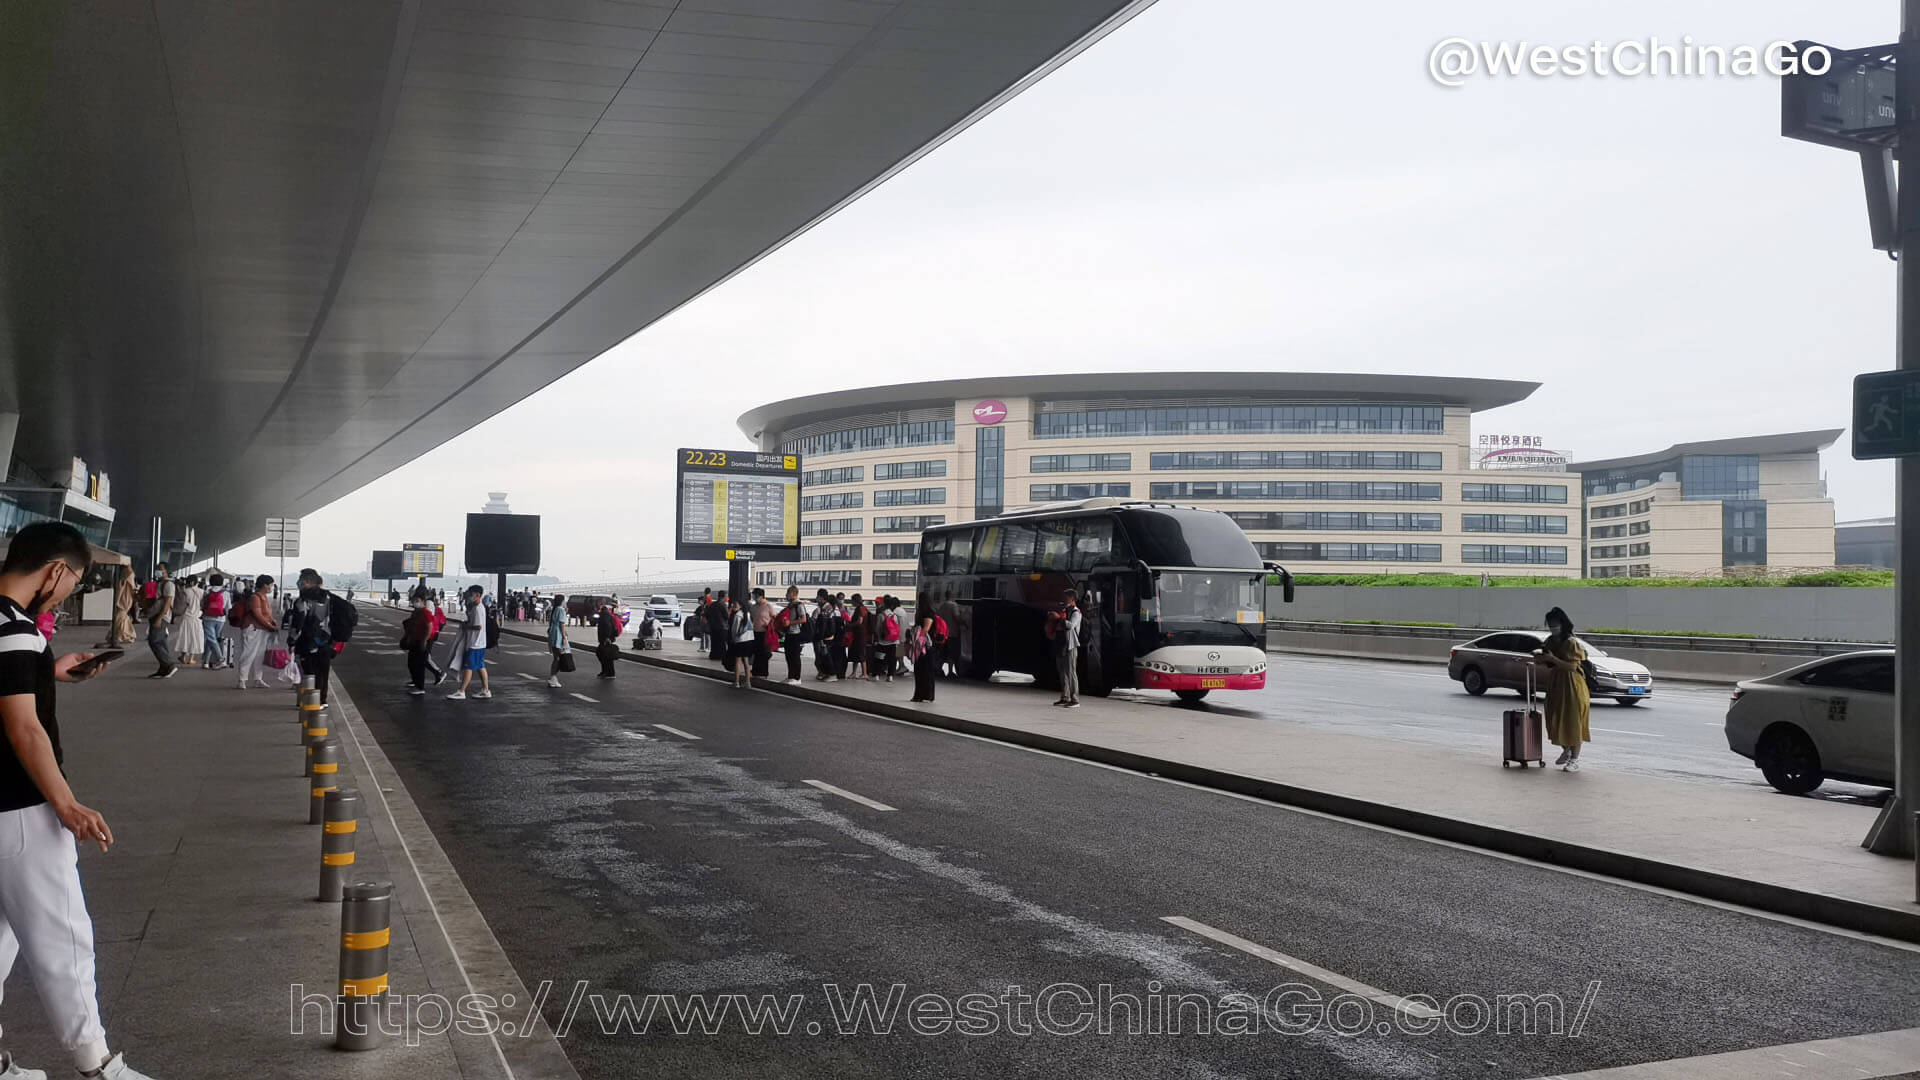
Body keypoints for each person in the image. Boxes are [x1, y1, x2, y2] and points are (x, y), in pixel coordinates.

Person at [0, 522, 164, 1080]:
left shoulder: (8, 630)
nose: (71, 590)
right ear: (55, 571)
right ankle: (98, 1069)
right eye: (74, 580)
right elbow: (25, 730)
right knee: (64, 938)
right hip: (21, 808)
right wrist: (66, 804)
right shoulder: (17, 630)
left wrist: (49, 671)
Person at [1535, 606, 1592, 771]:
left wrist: (1553, 658)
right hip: (1556, 684)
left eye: (1555, 623)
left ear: (1562, 623)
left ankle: (1574, 759)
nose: (1552, 627)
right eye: (1550, 624)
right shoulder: (1550, 641)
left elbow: (1572, 667)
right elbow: (1551, 664)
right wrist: (1542, 660)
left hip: (1573, 684)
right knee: (1555, 717)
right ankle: (1566, 749)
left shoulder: (1571, 642)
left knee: (1573, 720)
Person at [287, 570, 344, 707]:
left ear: (306, 582)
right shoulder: (330, 598)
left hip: (308, 643)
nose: (299, 583)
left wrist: (291, 642)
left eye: (300, 581)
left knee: (309, 673)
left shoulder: (303, 601)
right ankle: (322, 701)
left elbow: (298, 625)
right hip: (327, 643)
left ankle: (310, 702)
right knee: (323, 673)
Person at [447, 586, 492, 700]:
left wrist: (466, 626)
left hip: (475, 643)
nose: (470, 596)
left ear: (477, 595)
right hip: (478, 642)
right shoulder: (478, 607)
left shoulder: (478, 609)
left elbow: (478, 626)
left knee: (468, 667)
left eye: (471, 594)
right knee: (480, 666)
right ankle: (485, 690)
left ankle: (461, 691)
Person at [142, 563, 176, 679]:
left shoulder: (169, 584)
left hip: (161, 616)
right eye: (157, 569)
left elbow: (167, 603)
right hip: (155, 615)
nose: (158, 571)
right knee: (160, 641)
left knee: (154, 641)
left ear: (166, 571)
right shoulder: (158, 583)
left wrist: (160, 618)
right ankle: (163, 668)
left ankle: (169, 665)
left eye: (160, 569)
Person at [1049, 589, 1083, 708]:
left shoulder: (1076, 613)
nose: (1063, 599)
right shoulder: (1064, 610)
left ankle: (1075, 700)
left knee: (1071, 672)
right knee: (1062, 672)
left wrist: (1058, 618)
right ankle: (1065, 697)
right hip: (1061, 644)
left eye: (1066, 597)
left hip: (1070, 646)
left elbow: (1070, 626)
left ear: (1072, 598)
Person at [400, 596, 434, 696]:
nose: (415, 603)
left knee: (419, 665)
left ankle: (420, 687)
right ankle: (415, 682)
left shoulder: (425, 612)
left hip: (421, 641)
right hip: (414, 640)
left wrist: (424, 640)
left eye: (417, 601)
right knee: (411, 663)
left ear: (423, 601)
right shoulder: (416, 612)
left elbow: (430, 627)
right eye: (413, 601)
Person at [778, 586, 810, 685]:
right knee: (789, 656)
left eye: (788, 593)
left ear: (793, 594)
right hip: (788, 633)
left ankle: (797, 677)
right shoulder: (790, 605)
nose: (786, 595)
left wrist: (790, 622)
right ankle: (790, 676)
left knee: (795, 656)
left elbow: (804, 619)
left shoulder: (799, 605)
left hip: (796, 634)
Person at [170, 576, 202, 668]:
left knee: (186, 637)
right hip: (196, 618)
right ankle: (191, 658)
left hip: (186, 618)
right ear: (195, 582)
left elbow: (180, 605)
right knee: (195, 638)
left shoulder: (185, 592)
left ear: (190, 583)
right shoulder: (202, 592)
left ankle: (183, 656)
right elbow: (203, 605)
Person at [200, 573, 229, 670]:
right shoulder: (226, 593)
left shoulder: (207, 591)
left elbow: (202, 604)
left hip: (208, 618)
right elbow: (228, 607)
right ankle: (206, 662)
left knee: (211, 639)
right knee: (212, 639)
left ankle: (221, 660)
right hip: (220, 619)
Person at [907, 615, 938, 703]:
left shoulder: (928, 615)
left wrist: (915, 636)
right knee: (924, 672)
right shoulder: (929, 614)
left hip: (924, 648)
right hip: (924, 648)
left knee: (922, 672)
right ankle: (926, 695)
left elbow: (925, 630)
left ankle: (921, 695)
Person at [727, 596, 756, 688]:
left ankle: (736, 682)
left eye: (735, 604)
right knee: (746, 662)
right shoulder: (747, 614)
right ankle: (748, 682)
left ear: (740, 606)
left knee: (738, 662)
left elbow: (734, 630)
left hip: (740, 641)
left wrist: (733, 639)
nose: (733, 606)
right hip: (749, 640)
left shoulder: (737, 615)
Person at [547, 593, 571, 688]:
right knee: (558, 658)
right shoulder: (561, 610)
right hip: (558, 635)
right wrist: (564, 637)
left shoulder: (555, 609)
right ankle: (553, 678)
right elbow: (562, 624)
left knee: (556, 657)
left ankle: (553, 677)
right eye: (564, 600)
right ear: (562, 601)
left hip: (553, 634)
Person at [748, 589, 774, 678]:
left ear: (761, 596)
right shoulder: (753, 607)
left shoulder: (768, 606)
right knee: (756, 651)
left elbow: (774, 617)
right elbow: (751, 618)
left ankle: (763, 673)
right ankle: (755, 671)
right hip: (755, 632)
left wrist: (770, 626)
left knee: (764, 653)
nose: (754, 598)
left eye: (755, 595)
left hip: (765, 633)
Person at [595, 599, 621, 679]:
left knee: (605, 655)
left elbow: (608, 626)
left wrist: (607, 637)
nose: (597, 607)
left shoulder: (605, 614)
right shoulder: (604, 613)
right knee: (602, 654)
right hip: (606, 637)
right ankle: (606, 671)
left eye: (598, 605)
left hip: (607, 638)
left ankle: (610, 673)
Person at [108, 572, 135, 648]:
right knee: (120, 618)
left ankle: (122, 634)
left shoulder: (128, 576)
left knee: (119, 618)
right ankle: (122, 634)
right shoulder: (124, 577)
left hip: (123, 602)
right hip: (122, 602)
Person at [847, 595, 870, 680]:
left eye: (852, 600)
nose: (851, 602)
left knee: (861, 654)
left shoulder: (859, 609)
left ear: (855, 601)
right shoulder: (864, 608)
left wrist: (850, 625)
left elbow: (859, 621)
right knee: (856, 653)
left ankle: (864, 673)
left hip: (860, 635)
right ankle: (854, 673)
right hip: (860, 634)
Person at [706, 592, 730, 664]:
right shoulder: (723, 605)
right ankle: (721, 656)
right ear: (724, 597)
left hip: (713, 627)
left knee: (714, 642)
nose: (727, 598)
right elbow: (726, 616)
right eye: (726, 596)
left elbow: (707, 614)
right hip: (722, 627)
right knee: (721, 643)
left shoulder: (713, 604)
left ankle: (714, 655)